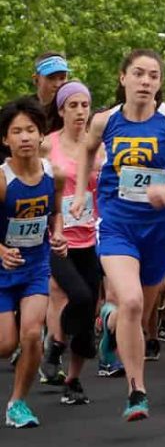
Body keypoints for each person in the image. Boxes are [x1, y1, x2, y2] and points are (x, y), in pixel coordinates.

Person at [72, 49, 165, 421]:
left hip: (158, 229)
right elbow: (86, 150)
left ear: (160, 83)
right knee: (130, 302)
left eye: (153, 76)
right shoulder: (105, 121)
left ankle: (110, 324)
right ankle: (137, 391)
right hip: (116, 224)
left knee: (139, 314)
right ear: (123, 78)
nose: (146, 81)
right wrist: (82, 192)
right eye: (138, 74)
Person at [0, 97, 67, 428]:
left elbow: (56, 214)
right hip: (2, 271)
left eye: (30, 130)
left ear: (42, 134)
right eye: (17, 131)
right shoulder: (2, 180)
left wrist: (59, 235)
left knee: (31, 334)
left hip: (36, 267)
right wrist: (1, 250)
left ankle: (17, 403)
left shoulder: (54, 175)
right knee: (5, 345)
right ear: (5, 139)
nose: (25, 137)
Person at [40, 81, 102, 405]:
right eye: (73, 105)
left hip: (91, 236)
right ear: (61, 109)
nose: (80, 111)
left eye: (85, 105)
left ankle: (73, 380)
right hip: (57, 237)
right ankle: (56, 343)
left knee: (88, 309)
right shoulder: (47, 145)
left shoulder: (98, 147)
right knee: (71, 294)